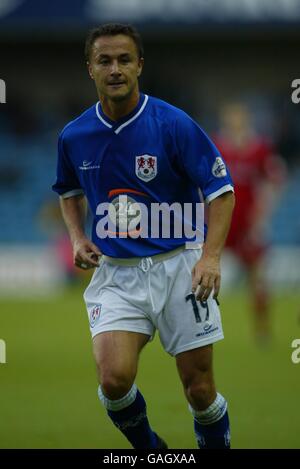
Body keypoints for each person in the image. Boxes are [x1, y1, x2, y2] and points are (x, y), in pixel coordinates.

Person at [52, 23, 235, 449]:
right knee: (114, 382)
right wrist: (78, 237)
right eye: (105, 61)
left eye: (123, 60)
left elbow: (221, 192)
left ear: (139, 66)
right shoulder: (74, 135)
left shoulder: (174, 124)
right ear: (90, 69)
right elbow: (68, 192)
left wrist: (209, 258)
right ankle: (155, 455)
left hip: (180, 268)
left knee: (200, 391)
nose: (115, 69)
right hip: (117, 274)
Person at [214, 102, 285, 343]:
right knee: (205, 271)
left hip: (247, 223)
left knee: (258, 277)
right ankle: (203, 329)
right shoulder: (217, 145)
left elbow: (276, 179)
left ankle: (262, 329)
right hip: (222, 220)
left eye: (239, 117)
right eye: (231, 117)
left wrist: (263, 214)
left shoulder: (260, 149)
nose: (235, 121)